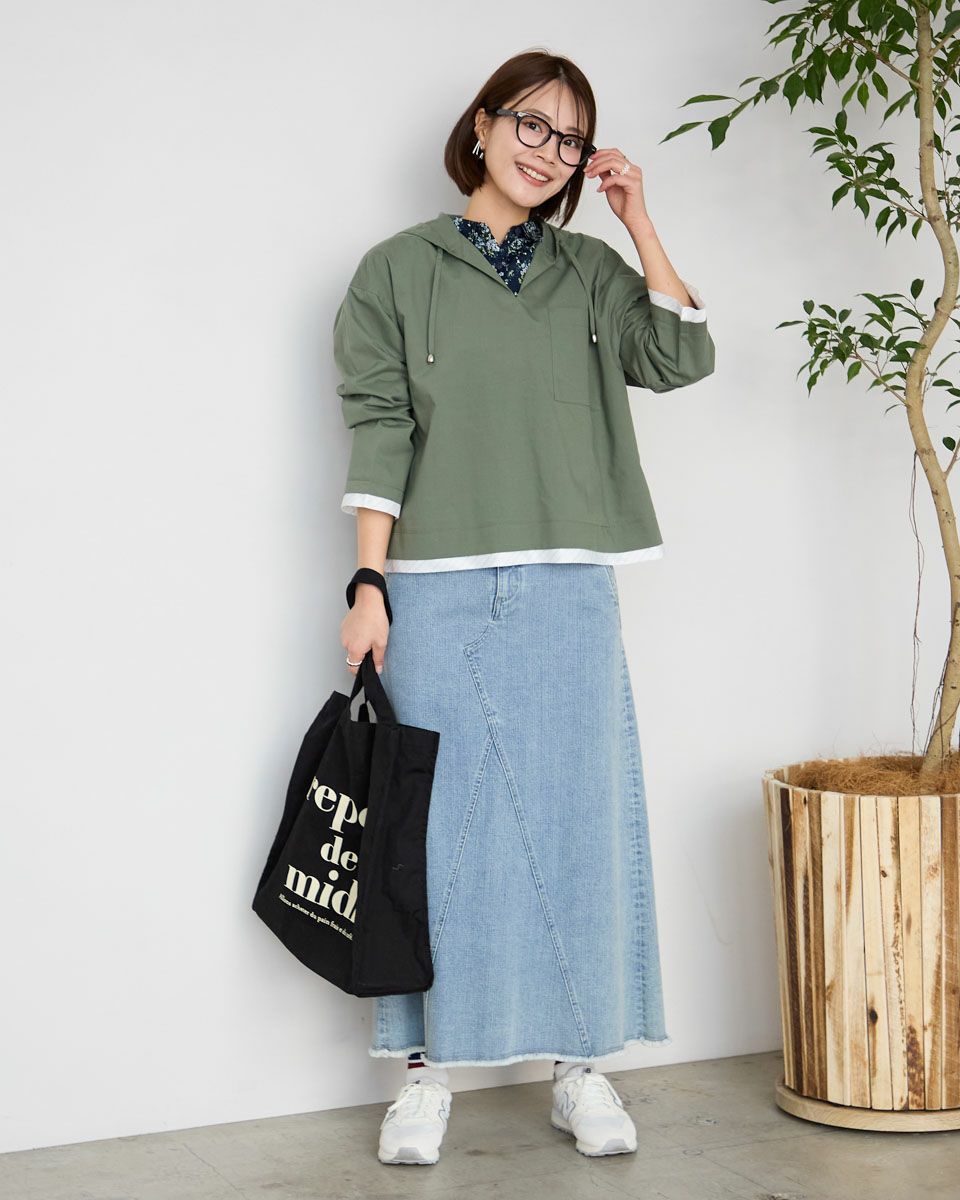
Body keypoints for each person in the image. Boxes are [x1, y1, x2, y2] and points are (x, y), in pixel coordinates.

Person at [334, 49, 715, 1165]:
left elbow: (680, 357)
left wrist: (637, 220)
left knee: (579, 822)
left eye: (571, 137)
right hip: (434, 584)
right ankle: (424, 1077)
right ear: (483, 126)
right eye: (531, 125)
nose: (548, 151)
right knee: (430, 835)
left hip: (569, 580)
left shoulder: (590, 271)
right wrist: (368, 583)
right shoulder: (395, 271)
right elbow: (380, 426)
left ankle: (580, 1064)